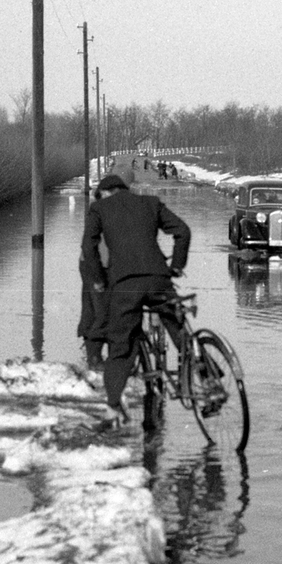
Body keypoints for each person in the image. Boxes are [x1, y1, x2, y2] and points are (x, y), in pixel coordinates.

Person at [81, 173, 191, 425]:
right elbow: (182, 231)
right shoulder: (150, 202)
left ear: (106, 192)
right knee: (177, 326)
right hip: (158, 278)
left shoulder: (99, 208)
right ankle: (205, 375)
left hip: (125, 285)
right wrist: (175, 265)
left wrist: (98, 279)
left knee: (120, 345)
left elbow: (89, 247)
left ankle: (113, 405)